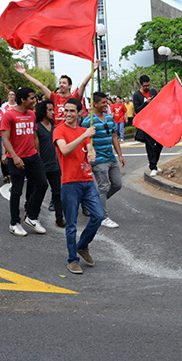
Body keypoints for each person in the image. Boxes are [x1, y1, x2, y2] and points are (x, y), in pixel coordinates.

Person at [53, 97, 102, 275]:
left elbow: (90, 152)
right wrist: (84, 135)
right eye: (66, 110)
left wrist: (92, 154)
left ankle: (82, 246)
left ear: (80, 113)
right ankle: (72, 260)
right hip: (70, 183)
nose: (68, 114)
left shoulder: (84, 131)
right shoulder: (59, 131)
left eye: (72, 111)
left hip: (87, 181)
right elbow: (65, 150)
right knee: (71, 224)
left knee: (98, 215)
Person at [1, 86, 48, 236]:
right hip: (16, 158)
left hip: (33, 157)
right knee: (16, 191)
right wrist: (14, 157)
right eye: (32, 98)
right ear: (23, 100)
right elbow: (5, 138)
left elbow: (34, 136)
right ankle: (14, 223)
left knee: (42, 184)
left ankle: (32, 217)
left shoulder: (32, 115)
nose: (35, 100)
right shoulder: (9, 115)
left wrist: (38, 155)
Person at [82, 92, 125, 228]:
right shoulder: (88, 121)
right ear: (95, 104)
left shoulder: (109, 118)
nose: (106, 105)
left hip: (111, 157)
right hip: (98, 160)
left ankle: (92, 203)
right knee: (103, 187)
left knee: (117, 184)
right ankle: (102, 216)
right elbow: (83, 141)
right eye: (103, 103)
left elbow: (114, 137)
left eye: (107, 102)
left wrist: (120, 155)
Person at [15, 60, 99, 123]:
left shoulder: (75, 98)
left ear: (70, 86)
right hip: (57, 134)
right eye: (60, 83)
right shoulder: (54, 97)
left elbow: (84, 84)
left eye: (64, 83)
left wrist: (94, 70)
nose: (61, 85)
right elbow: (39, 85)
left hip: (71, 132)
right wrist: (24, 74)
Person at [35, 99, 65, 227]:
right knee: (38, 192)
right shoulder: (36, 127)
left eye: (53, 109)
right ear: (43, 111)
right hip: (41, 165)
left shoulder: (54, 127)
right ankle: (32, 215)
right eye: (50, 110)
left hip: (54, 166)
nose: (53, 112)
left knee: (57, 193)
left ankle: (59, 219)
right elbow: (36, 148)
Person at [133, 75, 163, 176]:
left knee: (160, 143)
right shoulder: (137, 95)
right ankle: (153, 166)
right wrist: (146, 103)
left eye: (148, 85)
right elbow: (137, 110)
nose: (147, 87)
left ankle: (155, 162)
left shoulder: (153, 92)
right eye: (145, 86)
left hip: (156, 121)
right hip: (146, 123)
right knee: (150, 145)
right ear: (140, 84)